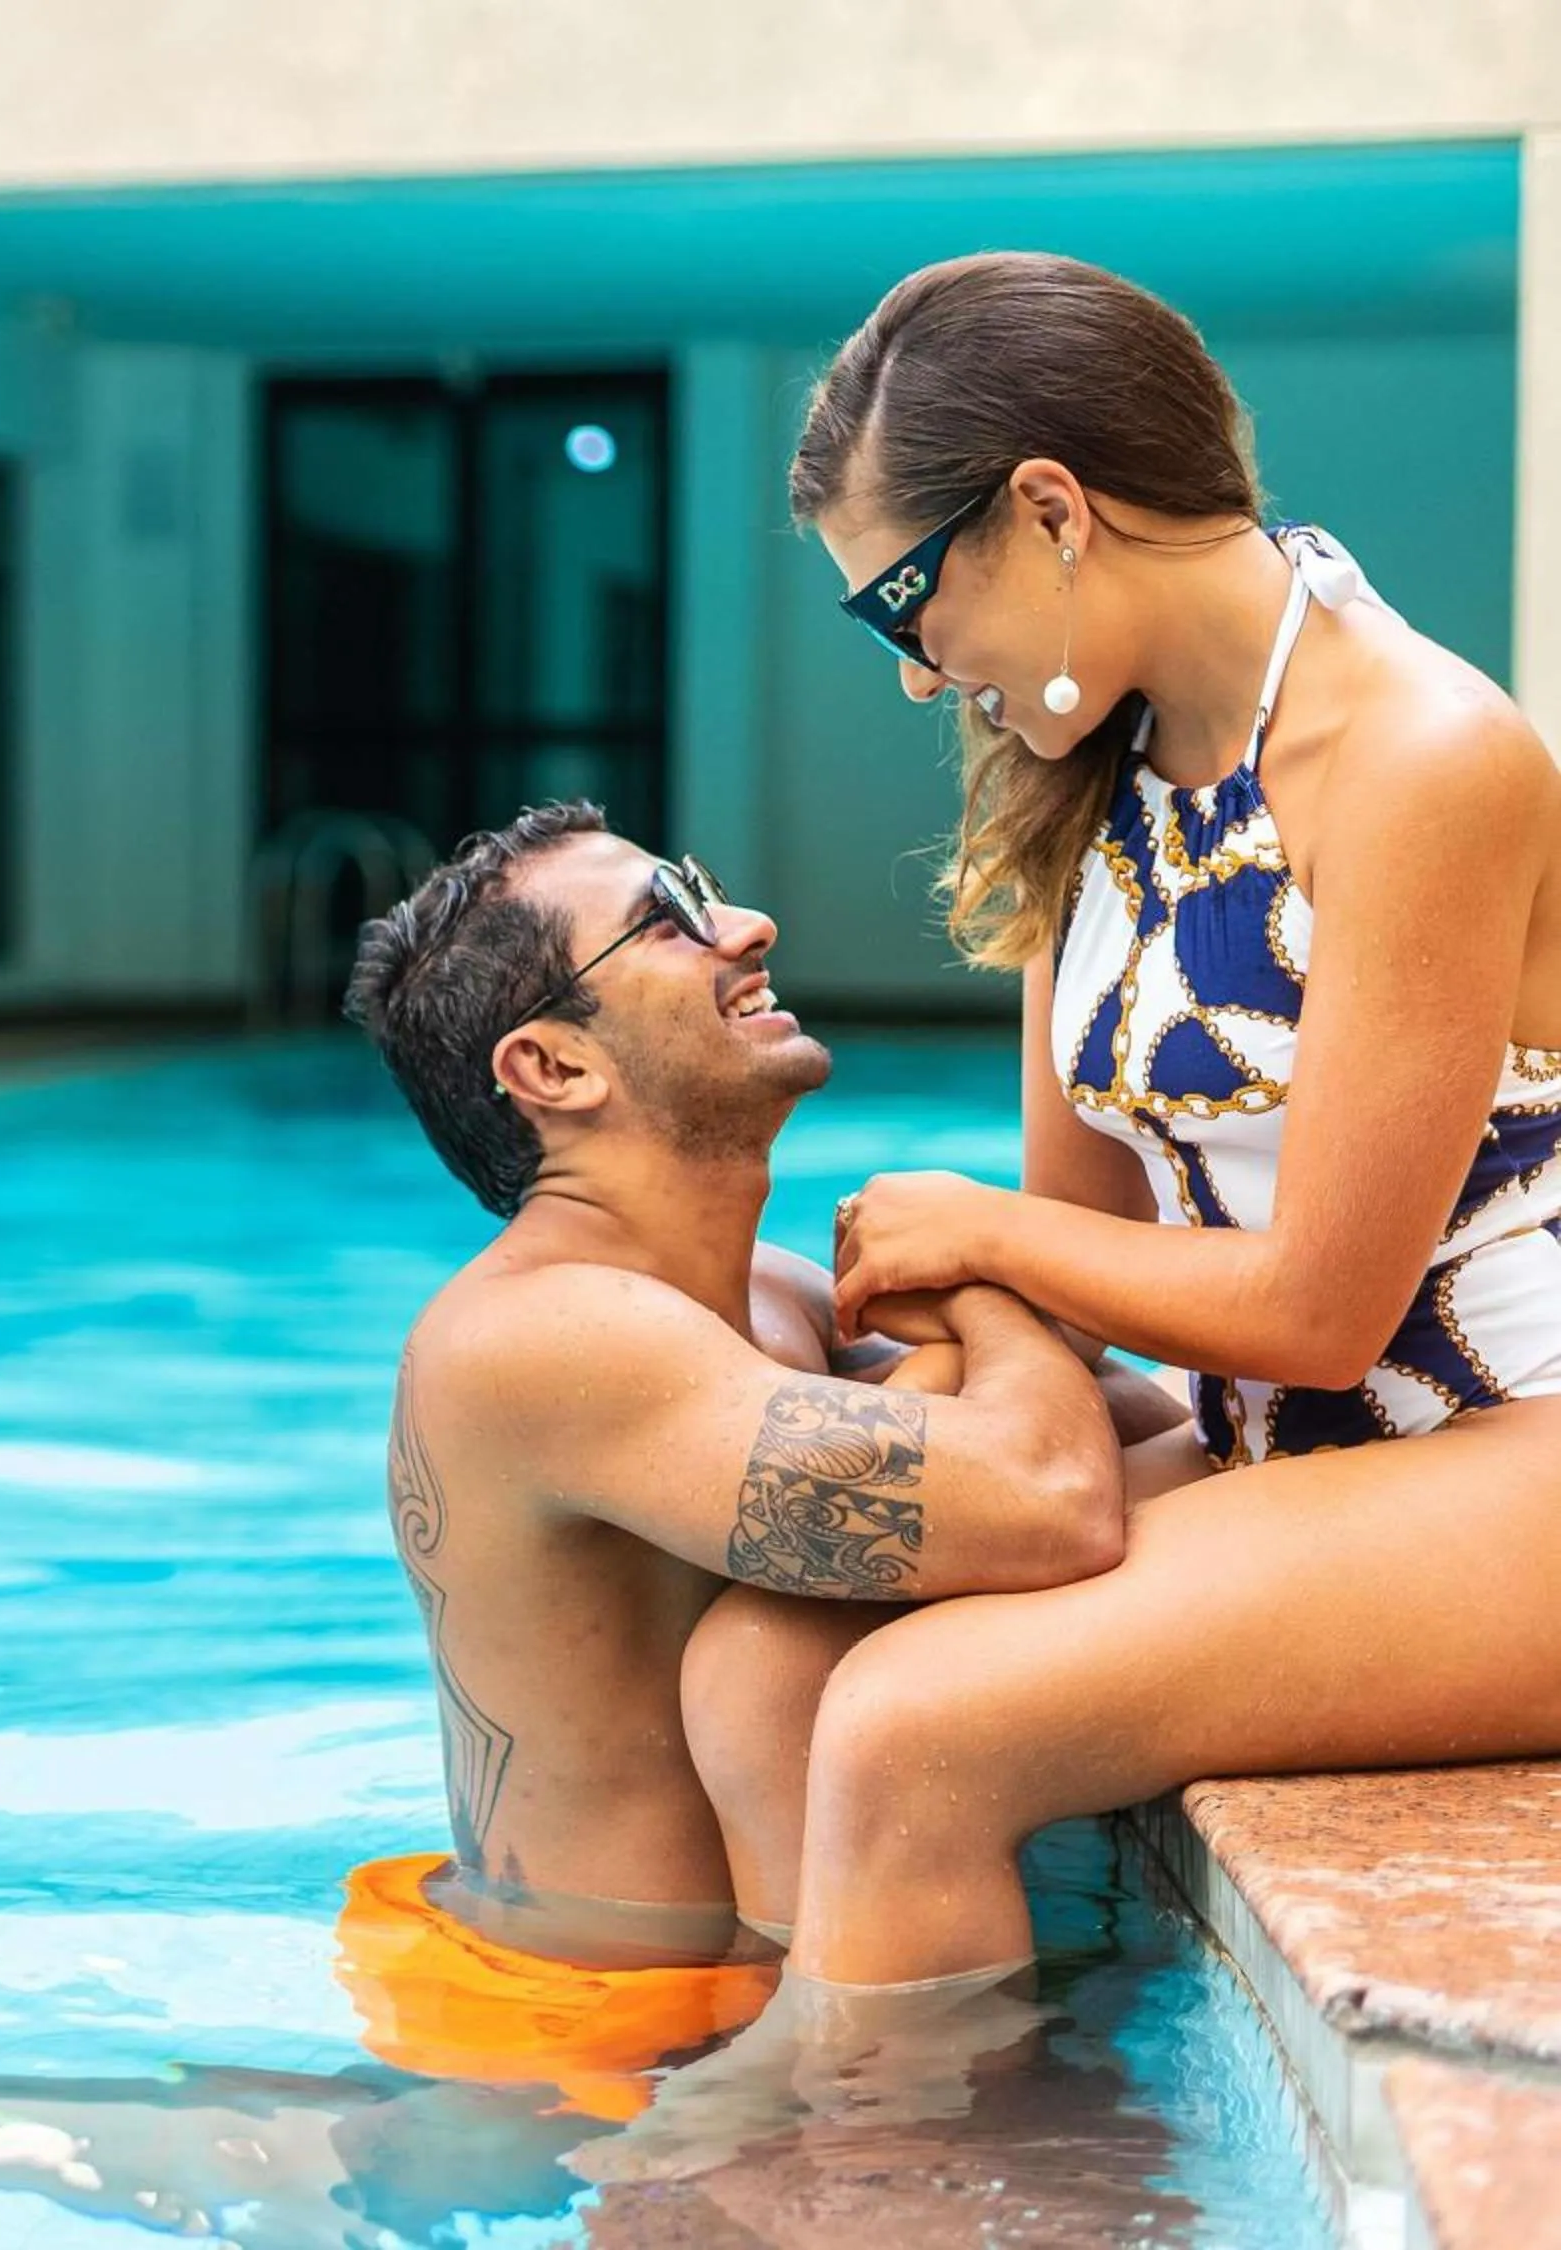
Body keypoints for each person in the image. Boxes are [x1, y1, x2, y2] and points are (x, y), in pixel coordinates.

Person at [696, 250, 1561, 1999]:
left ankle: (885, 2180)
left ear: (1047, 509)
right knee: (768, 1657)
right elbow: (1091, 1254)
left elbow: (1318, 1305)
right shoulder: (1094, 774)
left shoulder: (1421, 755)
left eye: (903, 605)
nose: (918, 673)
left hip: (1516, 1446)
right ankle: (829, 2091)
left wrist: (980, 1235)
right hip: (1299, 1451)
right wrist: (903, 1365)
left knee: (915, 1729)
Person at [329, 801, 1184, 2109]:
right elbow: (1053, 1496)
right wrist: (995, 1261)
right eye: (668, 919)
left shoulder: (766, 1299)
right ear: (552, 1067)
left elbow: (1159, 1444)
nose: (747, 924)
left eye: (709, 889)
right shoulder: (543, 1338)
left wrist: (974, 1307)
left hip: (744, 1987)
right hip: (592, 2044)